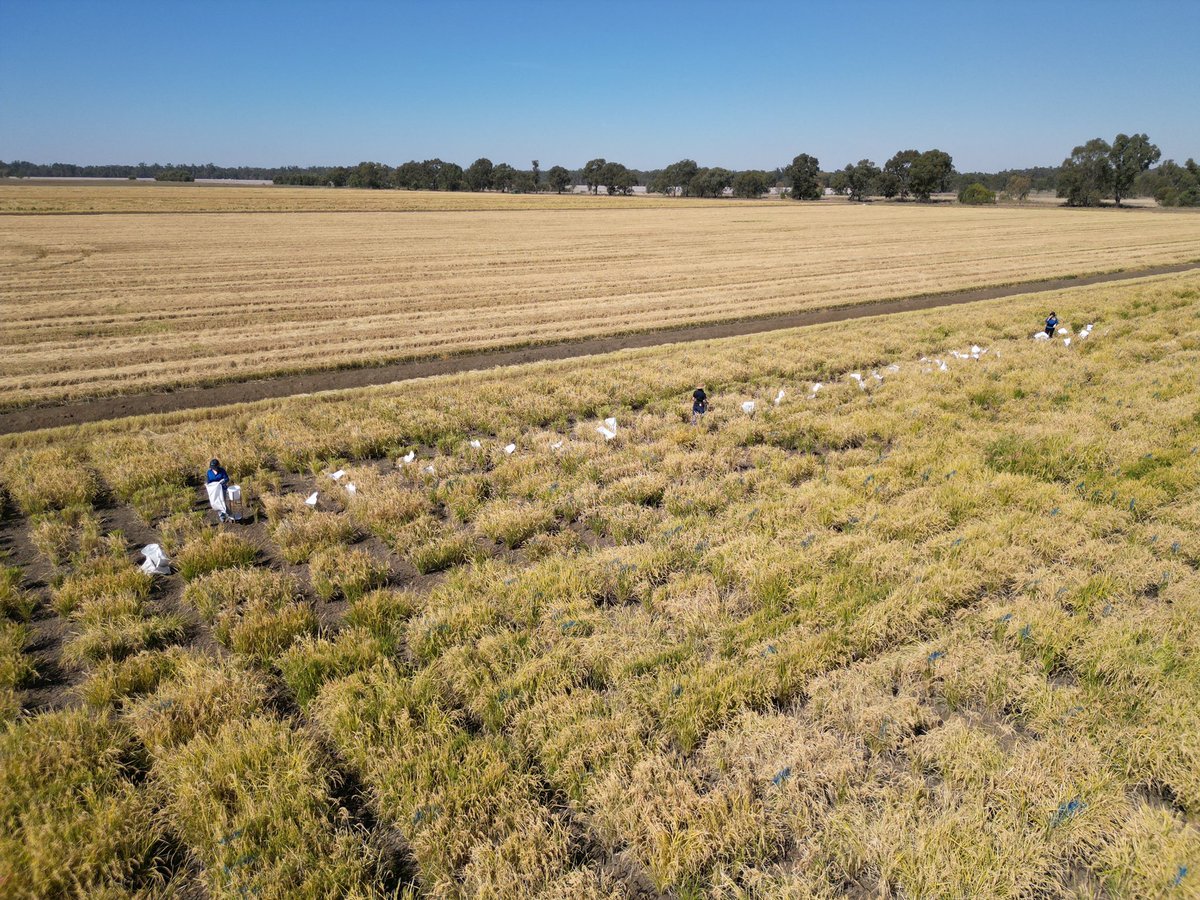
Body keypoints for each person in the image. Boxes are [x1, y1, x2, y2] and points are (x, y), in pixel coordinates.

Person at [205, 458, 236, 523]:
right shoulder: (209, 472)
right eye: (212, 467)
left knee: (222, 502)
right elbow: (208, 481)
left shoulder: (222, 471)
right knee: (216, 503)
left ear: (217, 466)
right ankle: (222, 516)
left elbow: (227, 478)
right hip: (213, 490)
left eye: (214, 467)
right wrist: (207, 484)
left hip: (222, 489)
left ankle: (230, 515)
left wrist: (223, 481)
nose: (213, 469)